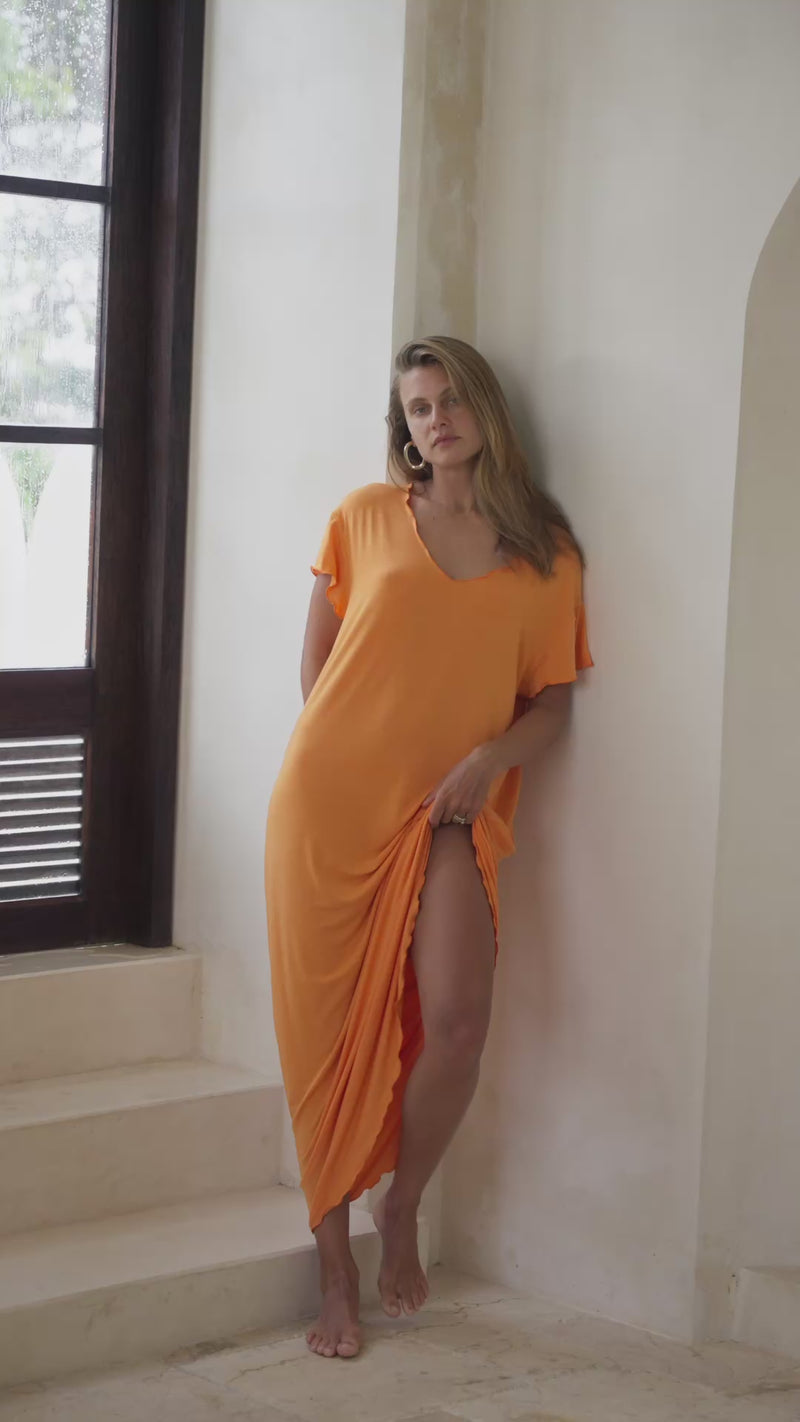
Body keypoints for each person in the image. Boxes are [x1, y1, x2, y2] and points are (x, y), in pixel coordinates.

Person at [264, 335, 593, 1360]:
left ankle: (400, 1203)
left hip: (445, 812)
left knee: (455, 1023)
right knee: (320, 1045)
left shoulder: (543, 553)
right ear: (401, 429)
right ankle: (334, 1279)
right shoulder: (366, 518)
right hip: (325, 808)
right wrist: (358, 769)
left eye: (449, 401)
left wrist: (481, 762)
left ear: (484, 409)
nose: (434, 421)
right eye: (415, 409)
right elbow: (317, 671)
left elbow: (553, 705)